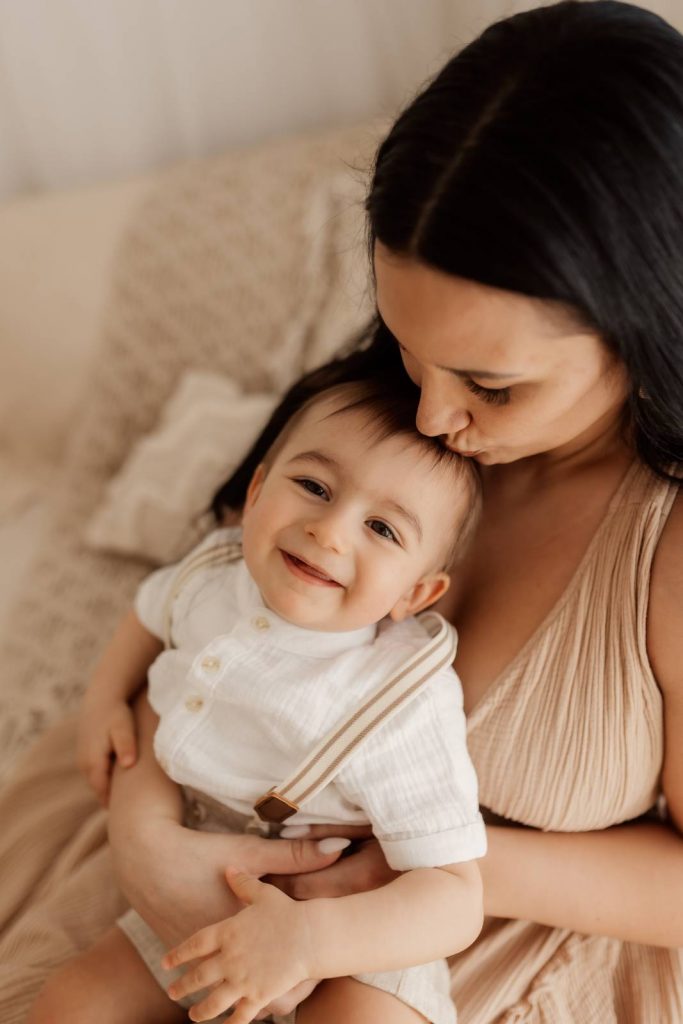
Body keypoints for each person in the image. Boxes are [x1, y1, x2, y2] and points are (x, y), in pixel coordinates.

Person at [2, 1, 683, 1021]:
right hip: (193, 846)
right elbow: (221, 621)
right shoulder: (376, 426)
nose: (432, 414)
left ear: (645, 317)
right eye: (408, 349)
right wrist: (145, 830)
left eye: (490, 387)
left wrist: (433, 875)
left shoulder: (662, 545)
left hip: (465, 950)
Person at [29, 379, 487, 1024]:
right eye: (315, 488)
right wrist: (106, 697)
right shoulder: (215, 577)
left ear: (416, 593)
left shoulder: (400, 696)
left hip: (350, 930)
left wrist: (309, 941)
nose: (329, 532)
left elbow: (456, 898)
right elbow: (149, 611)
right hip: (209, 886)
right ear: (255, 493)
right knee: (71, 1005)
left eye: (381, 528)